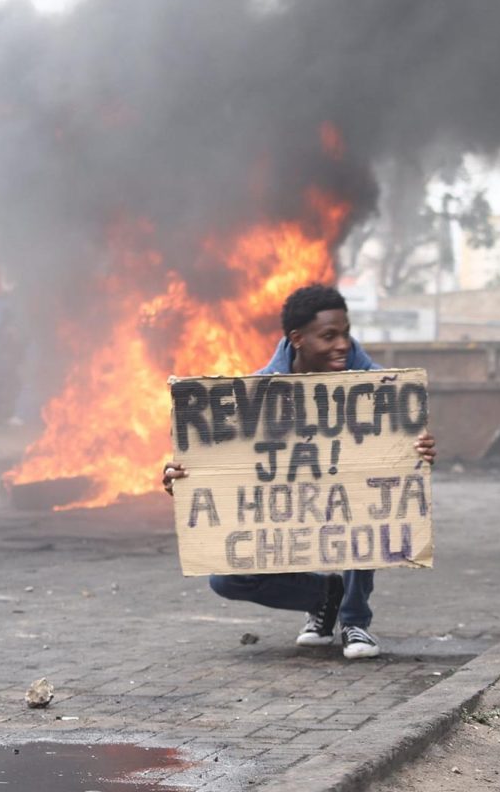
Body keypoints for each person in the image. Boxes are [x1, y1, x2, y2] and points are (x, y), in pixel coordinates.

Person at [162, 283, 437, 661]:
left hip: (345, 501)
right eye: (329, 336)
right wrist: (185, 476)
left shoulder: (380, 387)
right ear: (297, 339)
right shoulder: (256, 392)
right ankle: (325, 598)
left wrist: (417, 452)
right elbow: (220, 460)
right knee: (225, 579)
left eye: (345, 332)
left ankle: (355, 619)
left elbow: (401, 450)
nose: (342, 344)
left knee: (366, 511)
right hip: (292, 504)